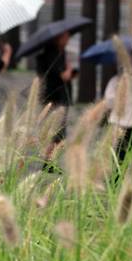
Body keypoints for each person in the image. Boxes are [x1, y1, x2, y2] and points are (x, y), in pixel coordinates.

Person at [35, 31, 76, 171]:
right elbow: (63, 76)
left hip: (54, 96)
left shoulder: (54, 53)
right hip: (56, 97)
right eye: (65, 36)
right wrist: (70, 69)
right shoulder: (54, 55)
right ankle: (49, 163)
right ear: (58, 38)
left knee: (55, 132)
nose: (68, 39)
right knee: (57, 132)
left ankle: (50, 163)